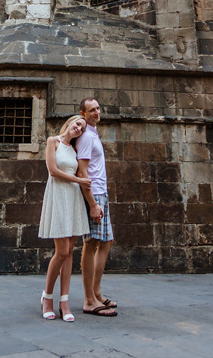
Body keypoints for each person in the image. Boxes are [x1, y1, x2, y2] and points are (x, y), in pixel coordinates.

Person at [39, 115, 92, 322]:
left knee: (69, 251)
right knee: (61, 251)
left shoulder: (76, 150)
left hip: (73, 199)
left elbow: (82, 169)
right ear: (70, 123)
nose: (79, 128)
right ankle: (47, 298)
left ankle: (64, 302)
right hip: (58, 195)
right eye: (78, 124)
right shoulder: (53, 141)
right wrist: (79, 180)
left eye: (82, 128)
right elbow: (53, 171)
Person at [76, 98, 117, 317]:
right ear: (82, 113)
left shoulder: (93, 133)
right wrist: (92, 203)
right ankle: (89, 299)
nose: (97, 112)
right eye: (92, 110)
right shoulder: (85, 137)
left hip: (102, 192)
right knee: (91, 243)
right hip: (95, 194)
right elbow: (82, 173)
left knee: (106, 240)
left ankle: (97, 292)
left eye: (98, 108)